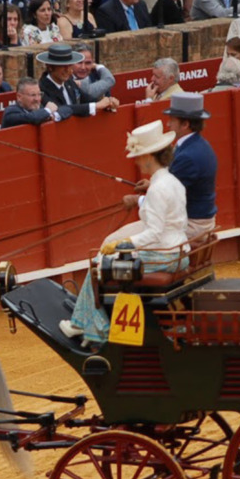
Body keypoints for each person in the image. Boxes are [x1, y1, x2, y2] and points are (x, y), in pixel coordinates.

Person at [59, 119, 190, 346]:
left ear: (149, 156)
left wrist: (124, 243)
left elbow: (154, 234)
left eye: (139, 156)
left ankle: (88, 326)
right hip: (177, 250)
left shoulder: (158, 188)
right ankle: (86, 322)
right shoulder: (171, 181)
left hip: (164, 254)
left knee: (100, 264)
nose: (137, 161)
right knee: (105, 259)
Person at [120, 92, 217, 242]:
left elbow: (169, 198)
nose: (168, 124)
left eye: (172, 120)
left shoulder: (188, 156)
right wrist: (151, 184)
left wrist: (136, 200)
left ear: (185, 124)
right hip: (193, 219)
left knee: (116, 242)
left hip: (191, 224)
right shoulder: (195, 145)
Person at [37, 43, 117, 118]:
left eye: (69, 65)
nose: (68, 70)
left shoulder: (69, 82)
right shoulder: (42, 88)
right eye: (63, 66)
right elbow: (61, 109)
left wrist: (108, 103)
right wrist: (96, 106)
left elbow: (86, 99)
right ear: (50, 67)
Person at [1, 75, 69, 127]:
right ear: (19, 97)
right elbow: (32, 118)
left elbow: (68, 109)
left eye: (39, 94)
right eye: (33, 95)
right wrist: (48, 110)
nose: (37, 99)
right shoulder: (11, 112)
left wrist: (55, 115)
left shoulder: (40, 108)